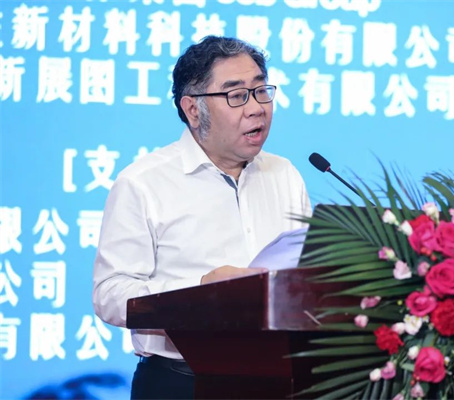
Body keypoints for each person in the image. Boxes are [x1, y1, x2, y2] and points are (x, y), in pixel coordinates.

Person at [92, 35, 312, 400]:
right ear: (193, 110)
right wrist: (200, 292)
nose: (257, 108)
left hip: (280, 381)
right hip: (182, 383)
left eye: (261, 90)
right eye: (236, 95)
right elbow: (109, 295)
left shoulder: (284, 174)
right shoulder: (143, 182)